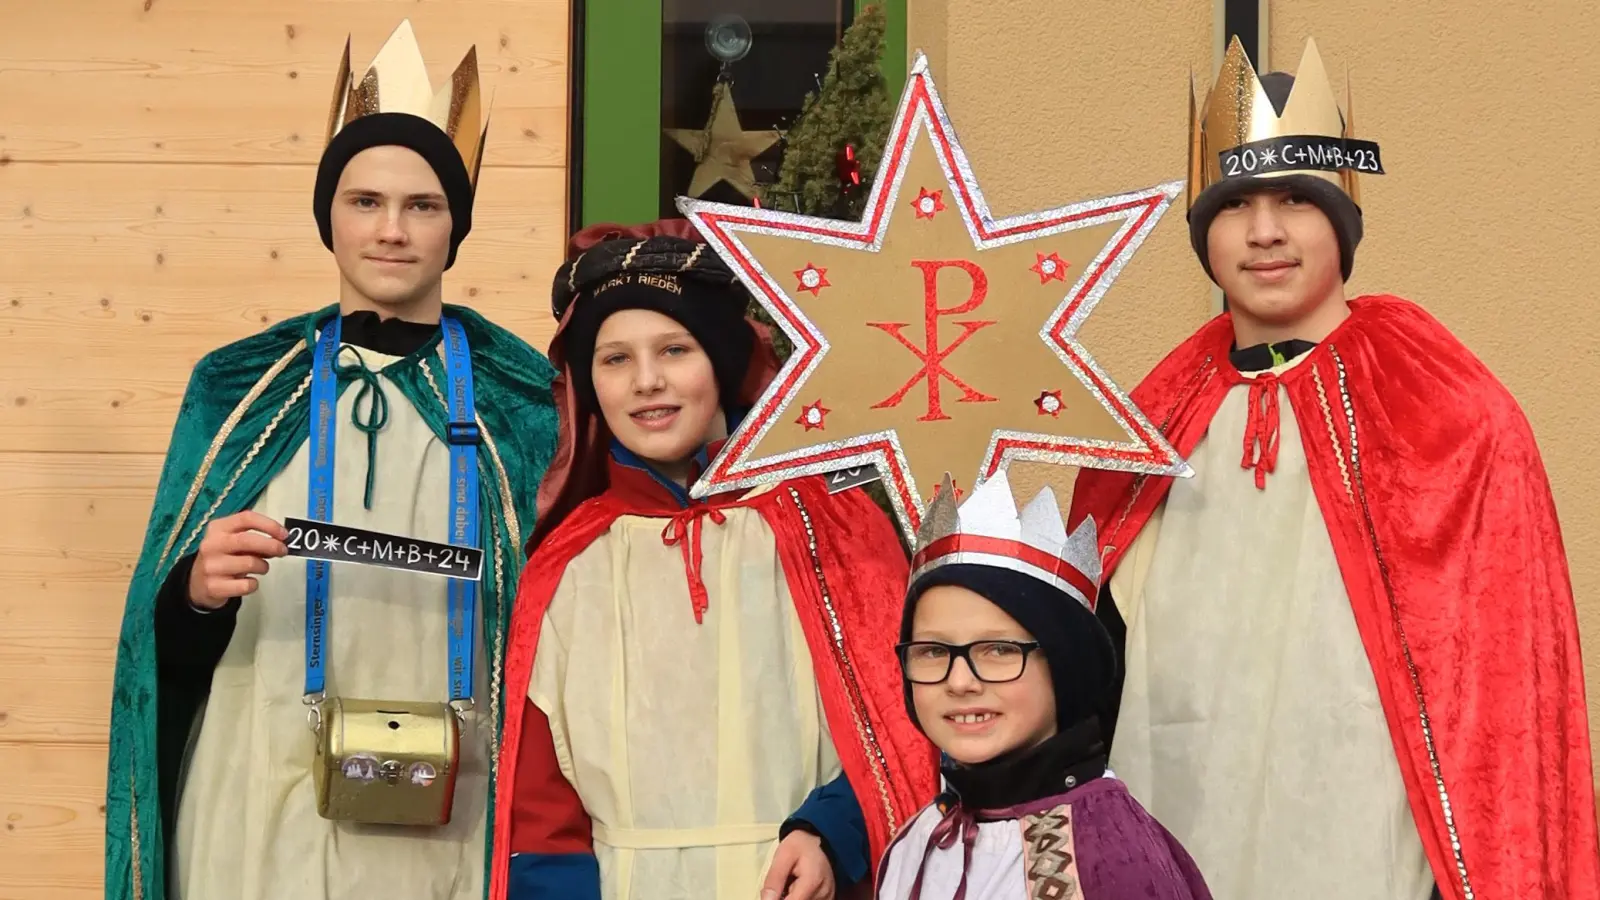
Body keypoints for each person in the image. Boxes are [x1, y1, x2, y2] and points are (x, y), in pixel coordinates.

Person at [1068, 36, 1600, 900]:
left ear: (1343, 223)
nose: (1266, 231)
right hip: (1175, 823)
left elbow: (1501, 699)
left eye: (1296, 201)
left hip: (1369, 842)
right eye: (1237, 203)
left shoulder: (1449, 408)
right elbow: (1089, 662)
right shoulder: (1150, 418)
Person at [102, 21, 559, 900]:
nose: (392, 230)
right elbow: (155, 655)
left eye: (423, 206)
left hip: (450, 810)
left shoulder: (524, 398)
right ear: (329, 218)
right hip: (260, 793)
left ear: (455, 223)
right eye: (365, 202)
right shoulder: (241, 387)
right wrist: (194, 592)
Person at [484, 218, 939, 900]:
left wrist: (830, 833)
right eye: (615, 359)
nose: (647, 382)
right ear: (589, 385)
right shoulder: (573, 560)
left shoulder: (825, 526)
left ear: (721, 361)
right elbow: (542, 802)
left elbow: (905, 710)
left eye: (674, 349)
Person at [877, 471, 1211, 900]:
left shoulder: (1109, 861)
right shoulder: (923, 837)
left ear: (1062, 666)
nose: (959, 681)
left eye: (998, 650)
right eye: (934, 651)